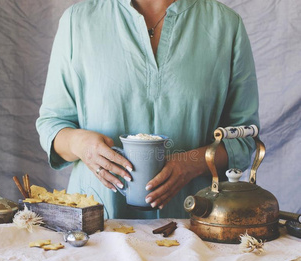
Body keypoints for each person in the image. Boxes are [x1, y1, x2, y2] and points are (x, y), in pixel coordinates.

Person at [36, 0, 259, 219]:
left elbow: (244, 138)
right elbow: (52, 125)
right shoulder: (78, 21)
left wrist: (192, 162)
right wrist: (80, 144)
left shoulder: (226, 25)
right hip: (97, 222)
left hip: (195, 220)